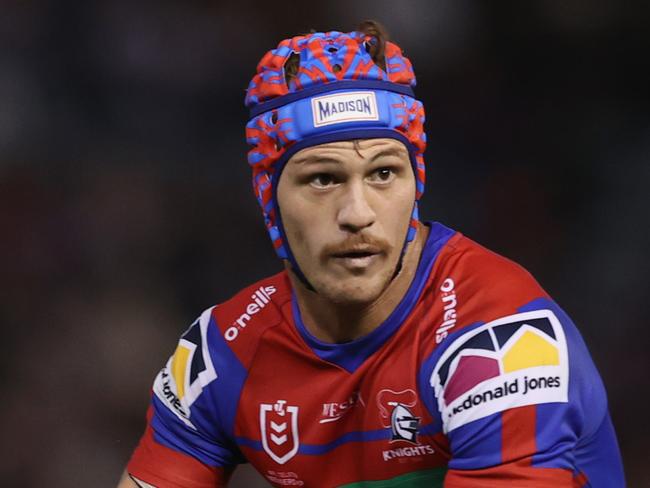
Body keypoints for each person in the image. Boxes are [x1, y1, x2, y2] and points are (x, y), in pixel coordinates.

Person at [117, 21, 624, 487]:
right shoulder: (220, 356)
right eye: (322, 178)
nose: (357, 213)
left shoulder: (501, 339)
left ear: (416, 183)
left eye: (383, 173)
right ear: (269, 198)